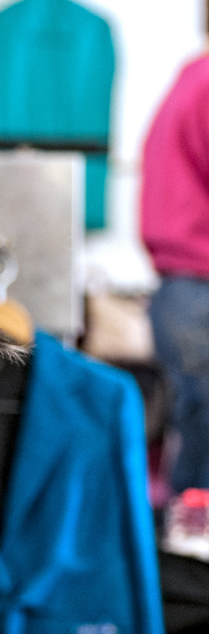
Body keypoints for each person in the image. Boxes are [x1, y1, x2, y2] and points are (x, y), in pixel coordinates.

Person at [143, 54, 209, 496]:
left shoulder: (193, 76)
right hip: (197, 285)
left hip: (182, 287)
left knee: (197, 434)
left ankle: (187, 549)